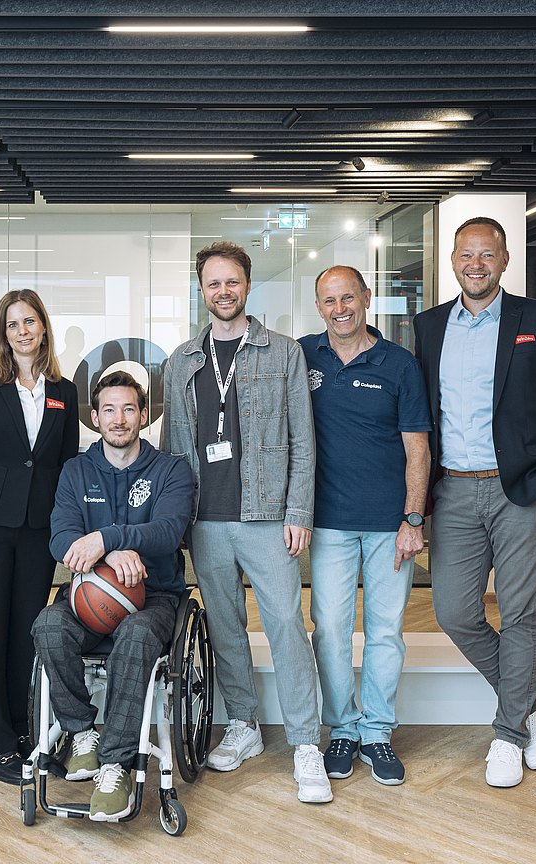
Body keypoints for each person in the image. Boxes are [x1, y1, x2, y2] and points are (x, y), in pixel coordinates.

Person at [412, 217, 536, 788]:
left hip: (522, 492)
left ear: (505, 260)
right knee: (455, 612)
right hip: (455, 491)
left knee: (521, 616)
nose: (476, 264)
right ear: (454, 261)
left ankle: (509, 734)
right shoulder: (430, 325)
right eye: (466, 255)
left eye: (487, 255)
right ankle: (532, 704)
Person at [161, 241, 331, 804]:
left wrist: (298, 513)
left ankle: (306, 741)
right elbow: (172, 451)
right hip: (205, 519)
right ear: (202, 290)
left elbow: (304, 442)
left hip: (267, 517)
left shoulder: (283, 353)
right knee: (226, 628)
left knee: (285, 623)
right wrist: (175, 521)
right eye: (213, 283)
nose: (223, 292)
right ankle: (244, 725)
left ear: (248, 287)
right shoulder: (182, 360)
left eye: (232, 282)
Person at [31, 371, 194, 822]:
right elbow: (60, 536)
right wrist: (108, 550)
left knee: (139, 636)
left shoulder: (171, 470)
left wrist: (106, 538)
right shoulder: (76, 471)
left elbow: (168, 531)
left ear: (144, 415)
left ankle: (116, 761)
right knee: (46, 624)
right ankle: (81, 733)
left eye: (128, 409)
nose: (118, 419)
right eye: (108, 409)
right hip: (91, 596)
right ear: (94, 417)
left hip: (155, 597)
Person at [298, 265, 431, 787]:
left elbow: (417, 446)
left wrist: (413, 519)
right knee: (329, 629)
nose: (340, 309)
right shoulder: (304, 356)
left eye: (348, 297)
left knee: (385, 633)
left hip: (388, 526)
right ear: (319, 307)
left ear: (367, 298)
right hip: (327, 523)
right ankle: (344, 728)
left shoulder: (399, 365)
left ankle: (377, 732)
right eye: (329, 301)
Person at [0, 289, 79, 784]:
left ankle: (23, 732)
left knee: (27, 634)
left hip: (39, 529)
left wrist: (67, 534)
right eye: (12, 324)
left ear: (44, 327)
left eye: (30, 321)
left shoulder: (62, 391)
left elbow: (67, 470)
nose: (22, 331)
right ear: (2, 334)